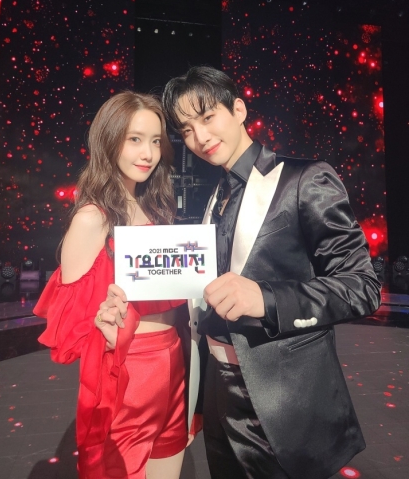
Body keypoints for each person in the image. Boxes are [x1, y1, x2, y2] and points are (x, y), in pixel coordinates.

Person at [161, 66, 382, 479]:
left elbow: (362, 287)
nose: (200, 137)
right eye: (186, 130)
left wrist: (266, 298)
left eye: (208, 117)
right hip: (218, 390)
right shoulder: (217, 194)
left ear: (238, 109)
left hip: (284, 396)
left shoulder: (305, 178)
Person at [34, 91, 200, 479]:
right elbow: (68, 332)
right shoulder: (92, 218)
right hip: (128, 375)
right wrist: (103, 323)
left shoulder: (156, 209)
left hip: (174, 363)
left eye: (156, 141)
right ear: (108, 141)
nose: (148, 153)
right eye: (134, 139)